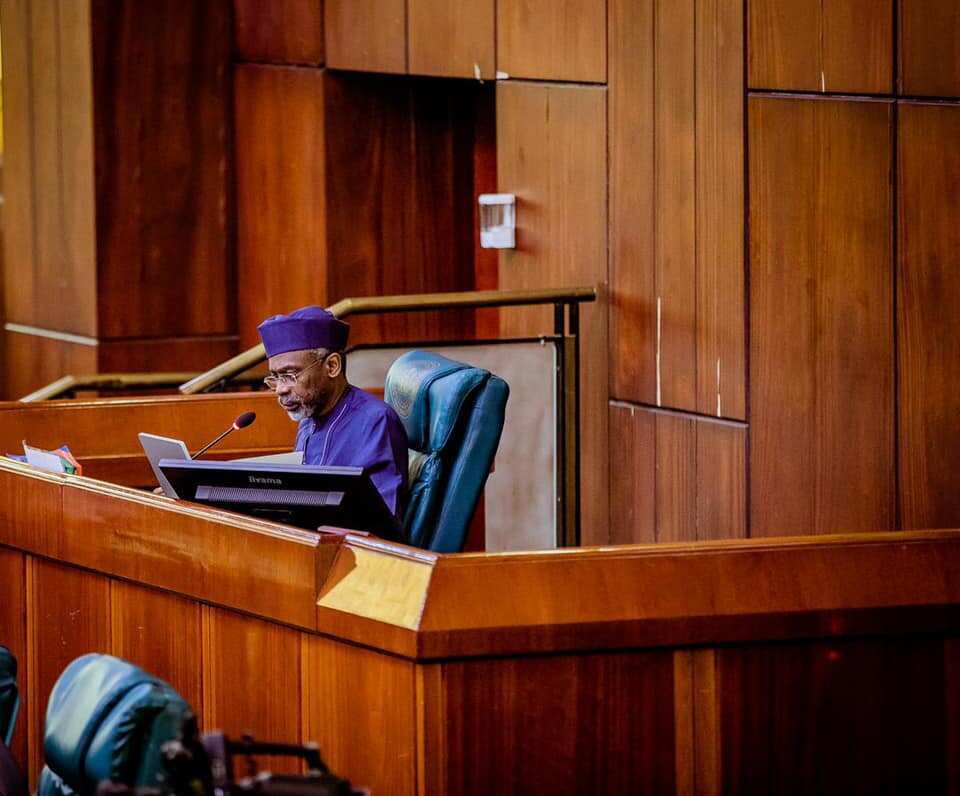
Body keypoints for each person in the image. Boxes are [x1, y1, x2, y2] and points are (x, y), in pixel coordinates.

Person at [258, 306, 408, 517]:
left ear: (332, 366)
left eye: (290, 375)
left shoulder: (375, 421)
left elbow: (381, 520)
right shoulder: (308, 419)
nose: (281, 389)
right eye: (275, 377)